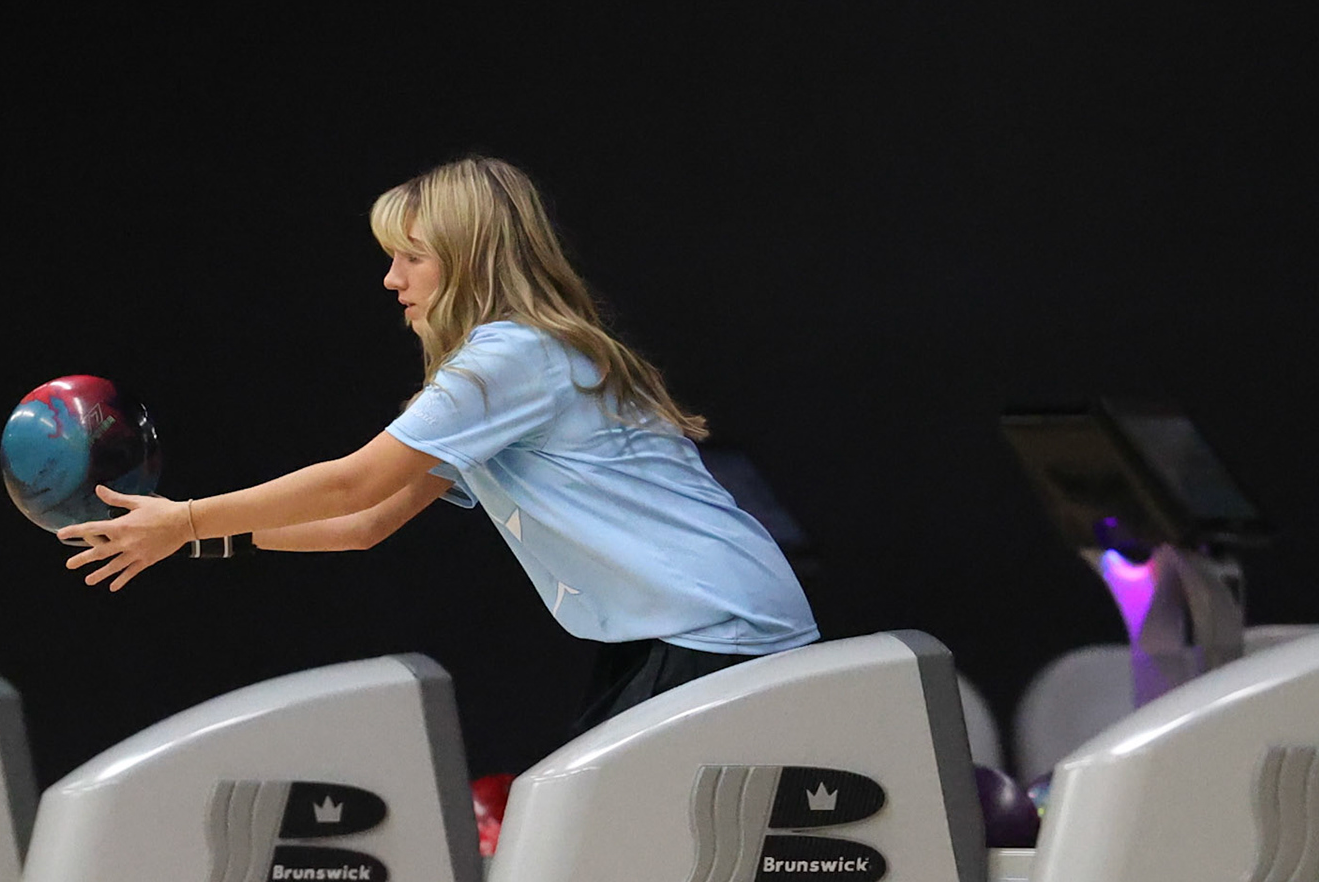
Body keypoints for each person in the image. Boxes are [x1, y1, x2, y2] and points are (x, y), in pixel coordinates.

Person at [61, 155, 818, 737]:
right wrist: (190, 539)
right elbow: (366, 525)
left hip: (715, 626)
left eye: (412, 257)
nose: (391, 280)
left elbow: (355, 483)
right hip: (693, 628)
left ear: (472, 259)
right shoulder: (517, 364)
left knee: (611, 848)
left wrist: (188, 517)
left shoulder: (512, 356)